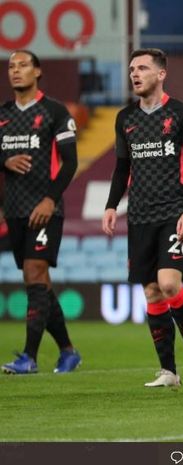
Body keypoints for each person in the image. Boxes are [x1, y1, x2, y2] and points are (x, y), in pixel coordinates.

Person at [102, 48, 183, 388]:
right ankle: (169, 372)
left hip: (174, 213)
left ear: (161, 74)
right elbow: (122, 168)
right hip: (140, 215)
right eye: (132, 68)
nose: (135, 73)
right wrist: (110, 205)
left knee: (168, 284)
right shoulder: (125, 119)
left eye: (143, 68)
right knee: (151, 292)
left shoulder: (182, 114)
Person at [0, 50, 81, 374]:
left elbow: (70, 162)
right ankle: (68, 351)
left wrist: (50, 199)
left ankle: (29, 358)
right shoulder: (3, 115)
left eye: (23, 65)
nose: (16, 71)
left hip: (46, 209)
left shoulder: (54, 112)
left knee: (34, 273)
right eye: (11, 67)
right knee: (39, 284)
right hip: (15, 211)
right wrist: (3, 161)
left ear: (38, 72)